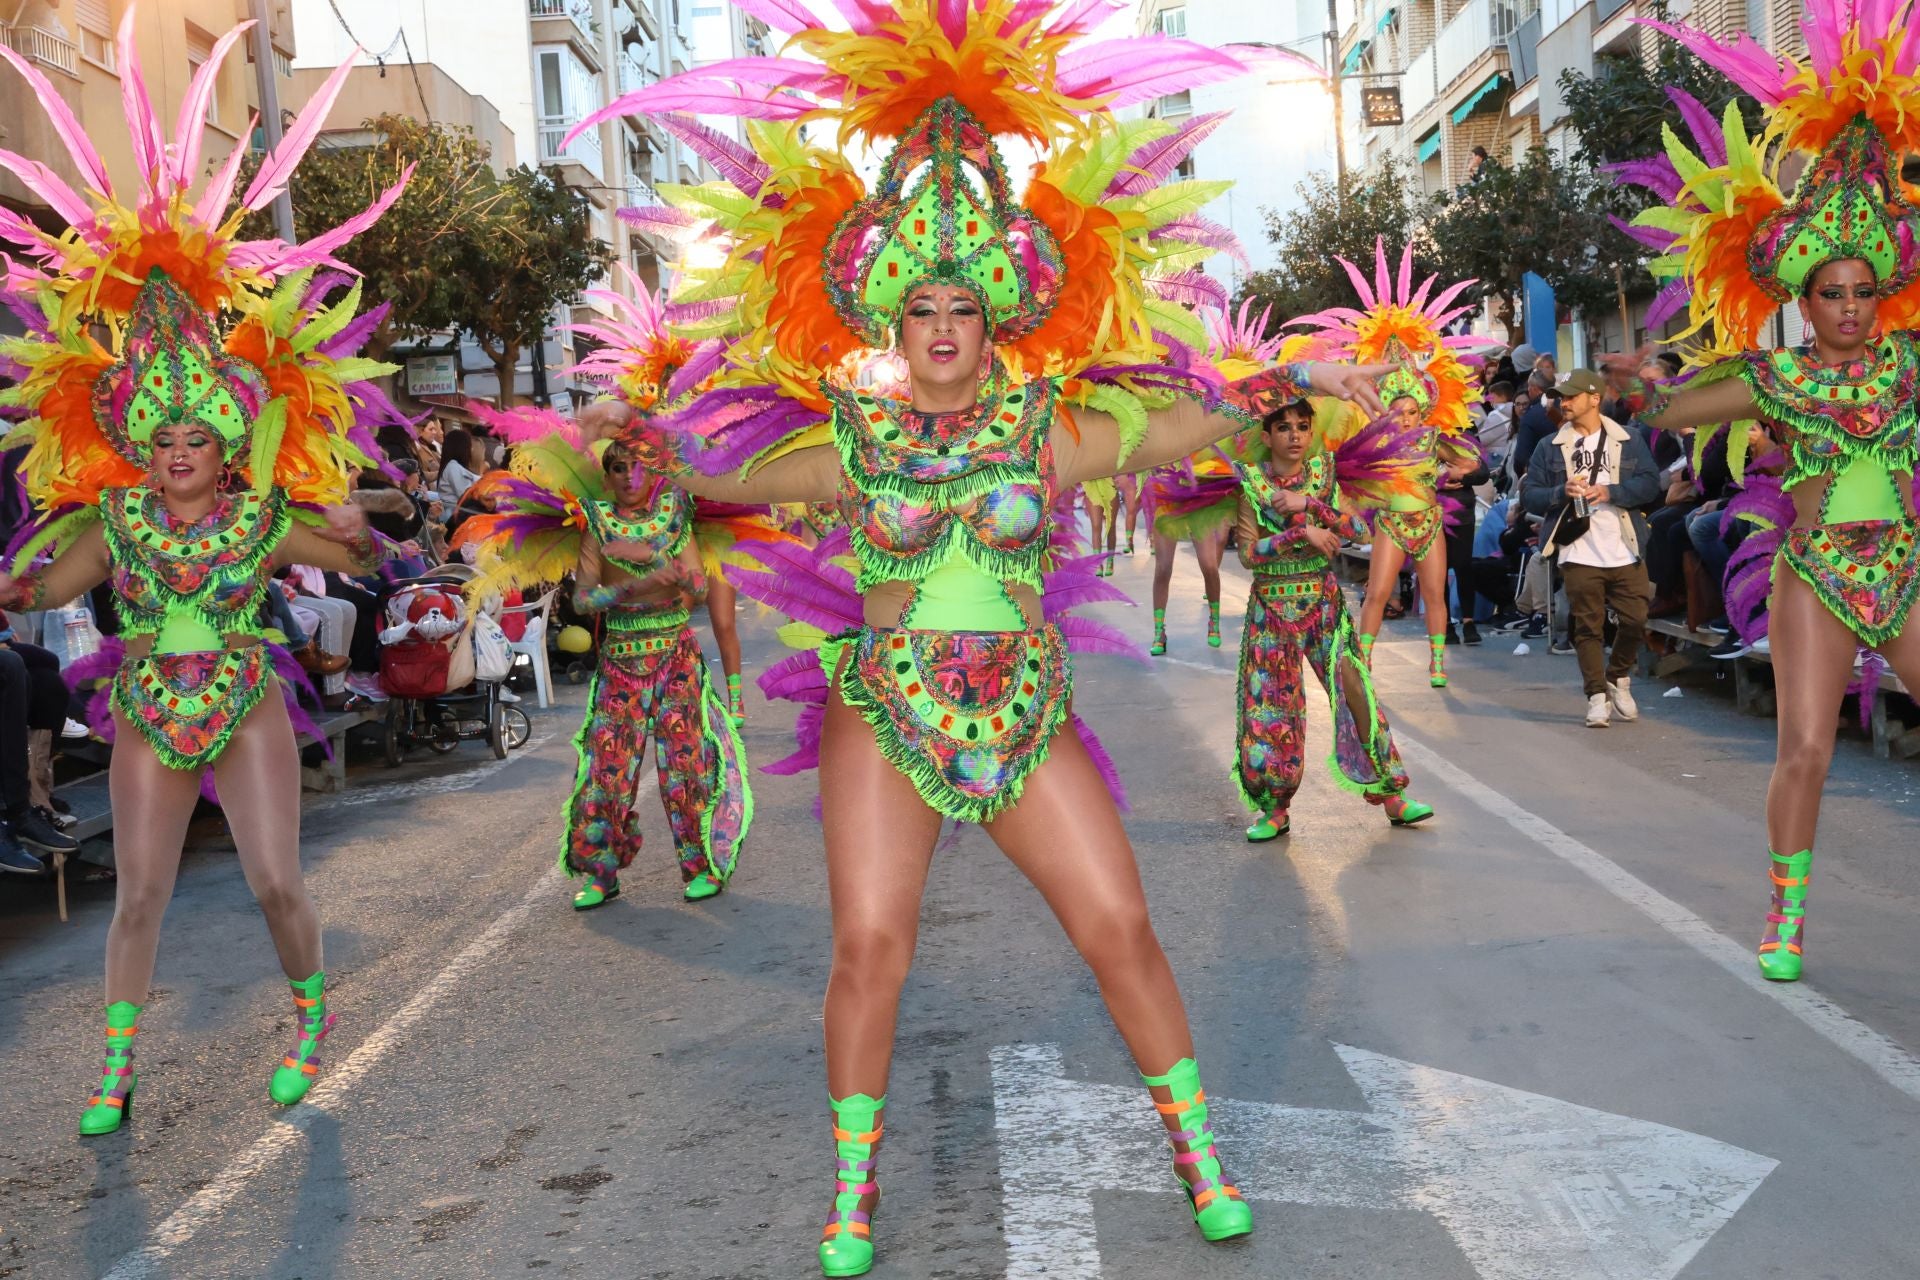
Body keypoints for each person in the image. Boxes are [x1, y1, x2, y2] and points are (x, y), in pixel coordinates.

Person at [584, 11, 1390, 1269]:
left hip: (1019, 701)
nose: (945, 324)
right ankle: (852, 1195)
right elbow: (713, 465)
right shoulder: (849, 448)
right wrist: (619, 427)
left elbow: (1196, 423)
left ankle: (1200, 1158)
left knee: (1118, 921)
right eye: (922, 306)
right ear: (890, 323)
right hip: (884, 704)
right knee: (869, 940)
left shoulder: (1048, 430)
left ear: (997, 313)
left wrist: (1302, 376)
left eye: (965, 303)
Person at [0, 25, 400, 1134]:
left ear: (228, 443)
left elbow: (357, 554)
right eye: (162, 433)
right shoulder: (115, 517)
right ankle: (116, 1067)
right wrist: (14, 586)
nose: (178, 449)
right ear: (142, 441)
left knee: (276, 880)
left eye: (197, 434)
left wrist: (353, 530)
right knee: (140, 893)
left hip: (246, 698)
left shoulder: (262, 518)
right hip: (145, 702)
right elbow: (39, 588)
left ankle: (311, 1016)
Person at [1614, 0, 1920, 980]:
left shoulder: (1910, 365)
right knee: (1808, 751)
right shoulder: (1778, 376)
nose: (1847, 306)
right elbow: (1678, 407)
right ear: (1804, 298)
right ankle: (1786, 914)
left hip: (1906, 566)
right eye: (1829, 292)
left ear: (1880, 291)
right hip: (1819, 573)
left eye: (1861, 290)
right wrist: (1639, 384)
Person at [1232, 400, 1434, 840]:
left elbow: (1359, 532)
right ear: (1266, 437)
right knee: (1270, 708)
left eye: (1302, 426)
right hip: (1270, 608)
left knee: (1355, 689)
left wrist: (1310, 505)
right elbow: (1248, 554)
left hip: (1323, 603)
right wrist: (1297, 533)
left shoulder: (1325, 474)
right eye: (1283, 427)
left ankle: (1392, 795)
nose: (1294, 435)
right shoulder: (1251, 483)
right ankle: (1275, 809)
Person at [1296, 238, 1494, 688]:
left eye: (1411, 411)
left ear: (1422, 410)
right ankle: (1363, 660)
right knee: (1378, 593)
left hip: (1428, 521)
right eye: (1398, 410)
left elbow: (1475, 465)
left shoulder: (1433, 438)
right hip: (1391, 522)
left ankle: (1438, 663)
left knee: (1434, 593)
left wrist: (1457, 471)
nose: (1405, 417)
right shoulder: (1375, 442)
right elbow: (1343, 470)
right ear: (1386, 410)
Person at [1521, 369, 1659, 726]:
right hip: (1576, 547)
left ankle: (1617, 677)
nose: (1563, 403)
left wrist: (1611, 491)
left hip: (1624, 544)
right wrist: (1559, 492)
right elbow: (1529, 494)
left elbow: (1650, 484)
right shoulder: (1548, 447)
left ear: (1594, 398)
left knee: (1635, 619)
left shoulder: (1628, 438)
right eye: (1560, 397)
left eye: (1571, 396)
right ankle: (1596, 696)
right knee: (1587, 626)